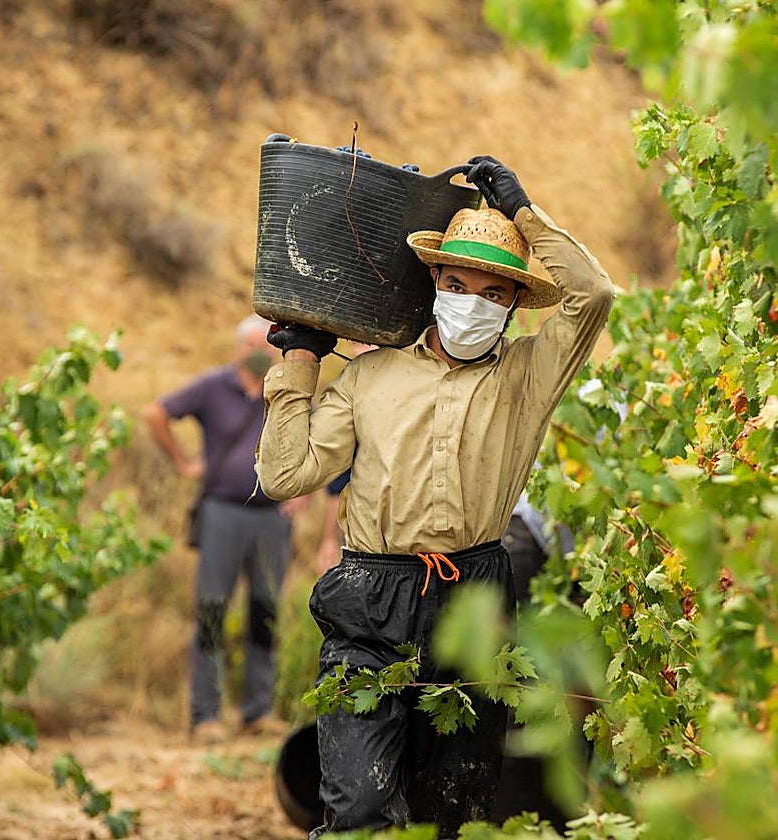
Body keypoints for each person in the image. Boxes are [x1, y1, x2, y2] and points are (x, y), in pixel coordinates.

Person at [255, 156, 615, 837]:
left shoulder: (527, 376)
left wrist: (525, 213)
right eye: (457, 284)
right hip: (370, 602)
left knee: (451, 809)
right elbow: (285, 475)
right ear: (434, 283)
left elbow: (592, 294)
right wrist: (300, 361)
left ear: (512, 306)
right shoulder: (370, 376)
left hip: (474, 605)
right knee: (359, 807)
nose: (471, 303)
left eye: (492, 293)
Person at [142, 313, 296, 743]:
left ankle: (257, 711)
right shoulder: (214, 386)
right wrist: (184, 463)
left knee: (265, 612)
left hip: (271, 517)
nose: (260, 353)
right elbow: (155, 414)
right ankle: (205, 715)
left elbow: (314, 439)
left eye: (268, 345)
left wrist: (301, 494)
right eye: (252, 345)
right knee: (212, 610)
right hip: (223, 512)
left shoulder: (285, 390)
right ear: (239, 348)